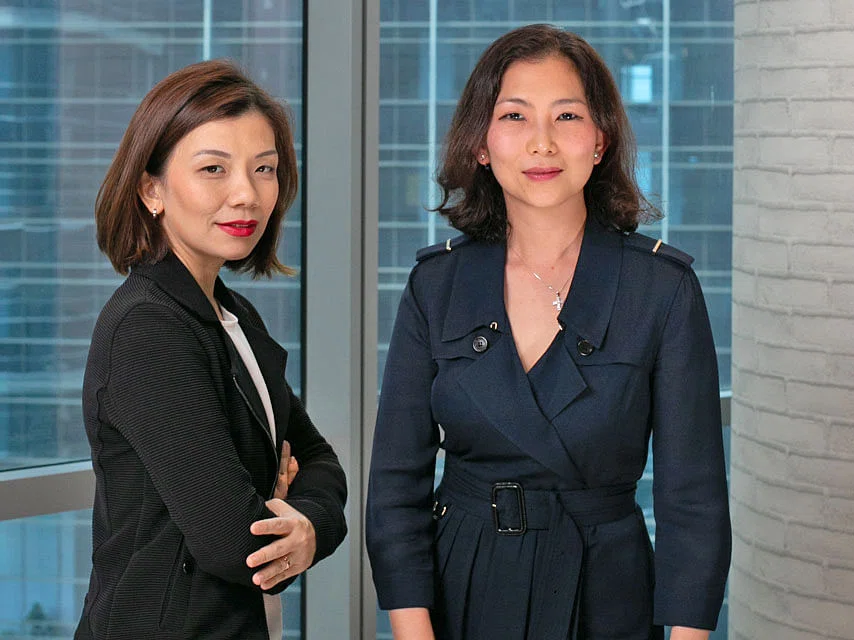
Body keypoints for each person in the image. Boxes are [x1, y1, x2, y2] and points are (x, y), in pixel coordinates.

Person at [366, 24, 731, 640]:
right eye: (514, 116)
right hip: (465, 586)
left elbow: (692, 503)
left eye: (566, 116)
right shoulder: (437, 284)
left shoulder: (661, 288)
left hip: (606, 592)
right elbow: (394, 489)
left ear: (600, 140)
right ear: (482, 144)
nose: (542, 142)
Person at [76, 59, 347, 639]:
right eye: (213, 169)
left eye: (264, 168)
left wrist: (307, 524)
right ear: (151, 189)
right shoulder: (148, 328)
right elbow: (235, 544)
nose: (246, 194)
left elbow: (320, 459)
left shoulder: (231, 314)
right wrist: (282, 512)